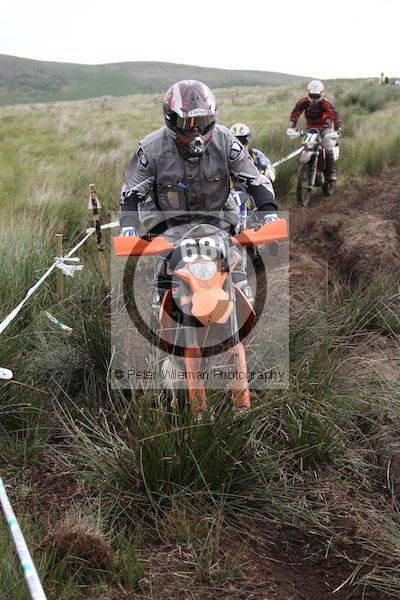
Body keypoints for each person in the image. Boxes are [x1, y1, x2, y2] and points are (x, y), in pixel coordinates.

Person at [119, 80, 277, 237]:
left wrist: (269, 211)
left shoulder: (226, 141)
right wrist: (128, 226)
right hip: (165, 224)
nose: (196, 130)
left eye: (202, 121)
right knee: (147, 252)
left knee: (244, 249)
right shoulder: (150, 149)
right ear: (171, 120)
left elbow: (254, 180)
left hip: (217, 219)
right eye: (187, 123)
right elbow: (131, 192)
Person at [288, 80, 342, 181]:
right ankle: (301, 169)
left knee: (328, 149)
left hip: (325, 129)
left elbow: (335, 116)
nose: (314, 98)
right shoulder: (303, 102)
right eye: (312, 95)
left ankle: (331, 173)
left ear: (321, 93)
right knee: (306, 149)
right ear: (308, 93)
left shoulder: (326, 103)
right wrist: (292, 126)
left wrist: (337, 129)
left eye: (316, 96)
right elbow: (295, 113)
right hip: (310, 130)